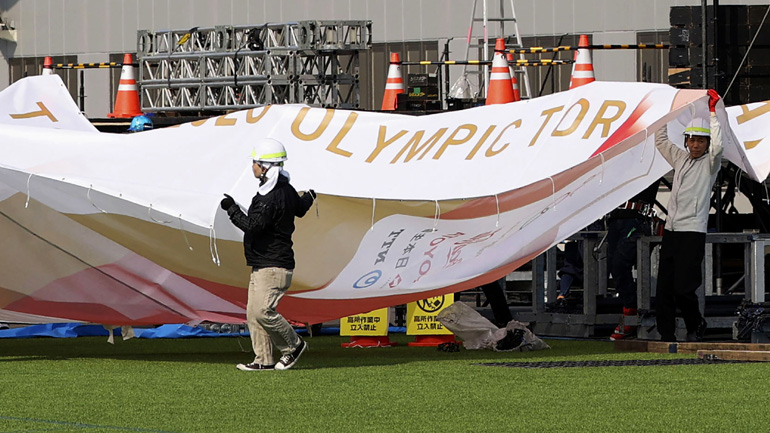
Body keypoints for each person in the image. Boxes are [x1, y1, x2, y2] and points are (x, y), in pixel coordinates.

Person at [220, 138, 315, 371]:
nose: (252, 166)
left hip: (273, 265)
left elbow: (252, 226)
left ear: (265, 166)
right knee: (253, 314)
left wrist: (230, 208)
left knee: (263, 311)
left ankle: (294, 345)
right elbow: (300, 209)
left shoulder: (270, 196)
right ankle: (263, 360)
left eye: (255, 162)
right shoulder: (286, 189)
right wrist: (310, 197)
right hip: (265, 263)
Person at [653, 89, 723, 342]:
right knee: (664, 290)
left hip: (692, 232)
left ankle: (696, 323)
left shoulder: (710, 164)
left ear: (706, 144)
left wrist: (713, 113)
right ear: (686, 141)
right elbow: (660, 141)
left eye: (700, 141)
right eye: (692, 140)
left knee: (684, 288)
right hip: (671, 231)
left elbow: (719, 146)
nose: (695, 145)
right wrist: (664, 112)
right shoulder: (681, 159)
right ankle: (666, 335)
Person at [607, 179, 661, 341]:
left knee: (619, 265)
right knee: (614, 265)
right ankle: (631, 310)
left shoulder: (651, 156)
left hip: (635, 219)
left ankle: (631, 312)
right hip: (616, 219)